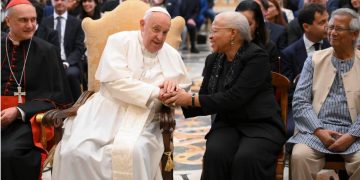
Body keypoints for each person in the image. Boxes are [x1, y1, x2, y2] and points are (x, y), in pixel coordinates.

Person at [52, 7, 191, 180]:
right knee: (74, 151)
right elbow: (115, 82)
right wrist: (157, 91)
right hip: (105, 113)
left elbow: (183, 87)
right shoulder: (118, 41)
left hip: (144, 118)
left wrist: (173, 87)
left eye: (165, 32)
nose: (160, 38)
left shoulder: (170, 53)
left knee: (135, 152)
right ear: (142, 24)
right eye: (156, 30)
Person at [163, 11, 286, 179]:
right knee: (216, 154)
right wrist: (179, 96)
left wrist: (190, 99)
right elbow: (206, 97)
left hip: (260, 124)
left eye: (215, 31)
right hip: (228, 124)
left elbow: (235, 98)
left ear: (233, 33)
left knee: (247, 158)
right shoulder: (214, 59)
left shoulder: (257, 57)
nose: (210, 36)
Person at [1, 0, 73, 179]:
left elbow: (58, 96)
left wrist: (18, 111)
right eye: (23, 20)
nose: (30, 25)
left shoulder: (47, 51)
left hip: (27, 120)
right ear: (8, 21)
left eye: (33, 20)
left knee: (6, 153)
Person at [288, 8, 360, 180]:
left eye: (338, 29)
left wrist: (352, 135)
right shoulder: (314, 59)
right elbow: (300, 102)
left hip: (355, 134)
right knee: (300, 157)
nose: (332, 33)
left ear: (354, 34)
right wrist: (319, 131)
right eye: (330, 27)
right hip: (315, 131)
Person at [281, 3, 330, 137]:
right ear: (306, 27)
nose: (328, 25)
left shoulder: (332, 47)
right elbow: (288, 91)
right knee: (292, 130)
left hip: (330, 105)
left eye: (328, 20)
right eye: (322, 22)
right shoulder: (289, 53)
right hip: (301, 105)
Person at [42, 0, 85, 101]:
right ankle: (48, 106)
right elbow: (42, 45)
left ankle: (76, 105)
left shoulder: (77, 23)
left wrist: (66, 63)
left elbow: (79, 48)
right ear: (52, 2)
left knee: (70, 74)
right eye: (56, 0)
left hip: (70, 63)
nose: (59, 2)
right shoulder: (45, 22)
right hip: (50, 62)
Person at [236, 0, 282, 72]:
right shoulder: (229, 44)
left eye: (248, 24)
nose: (243, 27)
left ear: (257, 23)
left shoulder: (269, 47)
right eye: (239, 23)